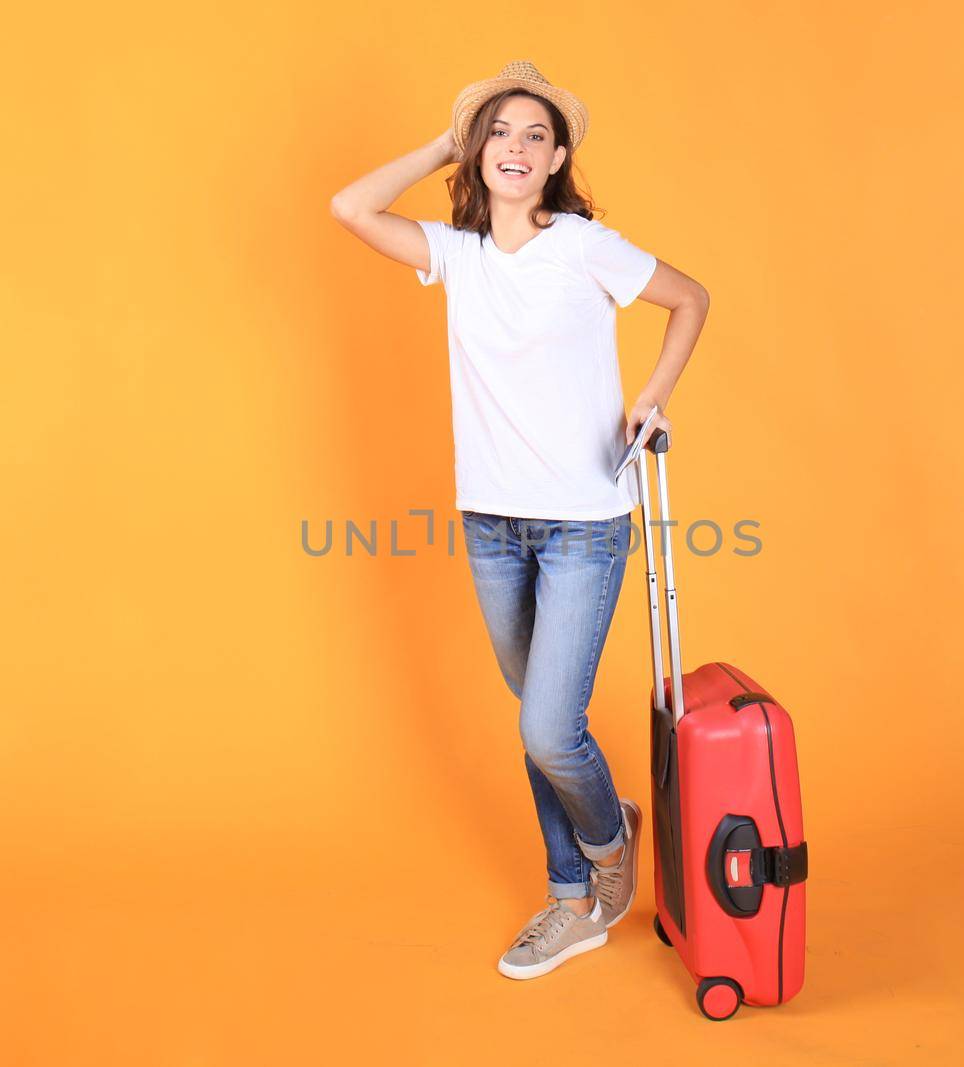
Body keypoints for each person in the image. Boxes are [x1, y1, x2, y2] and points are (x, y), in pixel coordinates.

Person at [329, 60, 710, 979]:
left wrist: (651, 397)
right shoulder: (454, 256)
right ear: (477, 151)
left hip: (583, 519)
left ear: (557, 158)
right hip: (491, 524)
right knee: (539, 718)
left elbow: (689, 299)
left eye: (534, 134)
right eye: (497, 131)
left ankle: (592, 862)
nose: (514, 146)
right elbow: (350, 207)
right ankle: (585, 873)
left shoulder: (583, 245)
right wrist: (440, 142)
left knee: (547, 728)